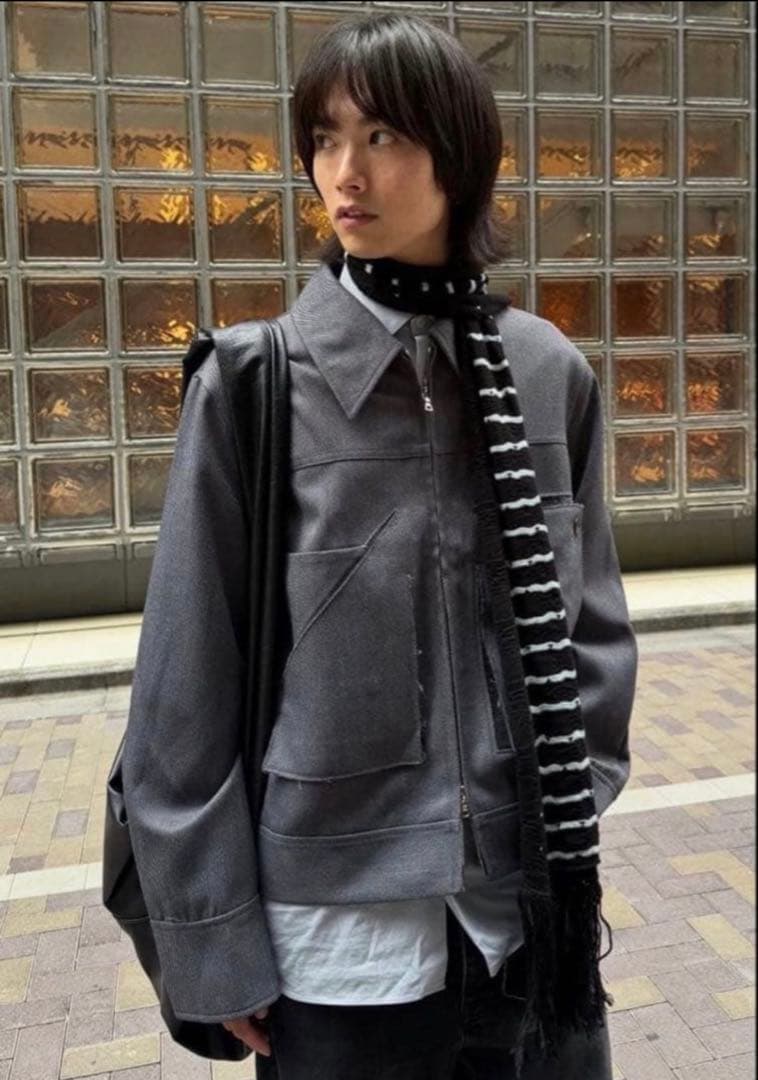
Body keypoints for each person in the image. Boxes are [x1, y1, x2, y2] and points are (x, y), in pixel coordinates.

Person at [121, 11, 637, 1079]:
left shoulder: (546, 372)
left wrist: (557, 800)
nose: (343, 174)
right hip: (339, 954)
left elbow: (592, 629)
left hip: (525, 929)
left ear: (460, 156)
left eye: (383, 137)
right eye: (324, 138)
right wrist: (213, 943)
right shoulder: (256, 385)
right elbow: (183, 697)